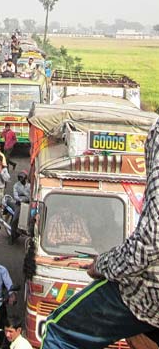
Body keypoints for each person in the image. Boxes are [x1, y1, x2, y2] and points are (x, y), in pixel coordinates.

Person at [41, 118, 159, 349]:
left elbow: (151, 241)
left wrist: (104, 264)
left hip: (150, 291)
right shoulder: (55, 220)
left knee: (59, 332)